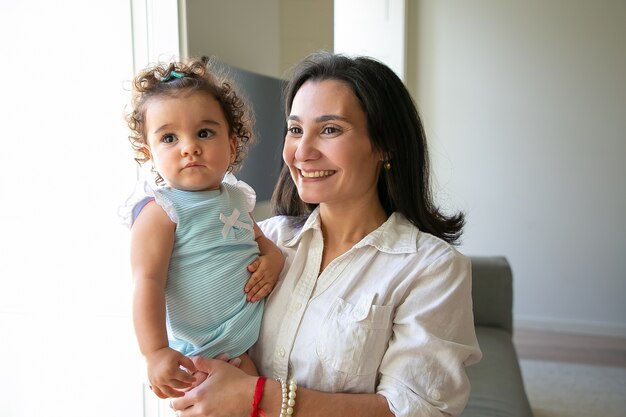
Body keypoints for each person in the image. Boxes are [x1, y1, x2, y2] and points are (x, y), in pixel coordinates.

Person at [170, 51, 482, 417]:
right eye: (296, 129)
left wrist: (257, 396)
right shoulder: (259, 240)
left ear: (385, 145)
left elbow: (419, 409)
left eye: (330, 129)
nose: (302, 152)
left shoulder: (432, 268)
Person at [126, 58, 284, 399]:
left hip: (243, 352)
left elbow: (261, 241)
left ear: (231, 144)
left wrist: (274, 260)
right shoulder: (161, 211)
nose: (189, 147)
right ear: (149, 154)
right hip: (197, 358)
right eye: (169, 137)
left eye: (204, 132)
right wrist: (154, 352)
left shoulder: (236, 199)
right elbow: (147, 283)